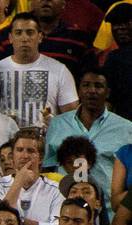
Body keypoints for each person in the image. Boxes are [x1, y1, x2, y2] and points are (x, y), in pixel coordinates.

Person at [43, 67, 132, 207]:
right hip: (64, 211)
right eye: (86, 85)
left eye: (98, 86)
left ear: (108, 92)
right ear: (79, 91)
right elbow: (47, 169)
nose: (91, 90)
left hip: (108, 214)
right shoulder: (57, 124)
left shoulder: (126, 129)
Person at [0, 12, 78, 128]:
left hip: (46, 142)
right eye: (18, 33)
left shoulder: (60, 71)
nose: (24, 38)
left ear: (40, 37)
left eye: (30, 33)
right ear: (10, 38)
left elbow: (71, 118)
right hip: (4, 143)